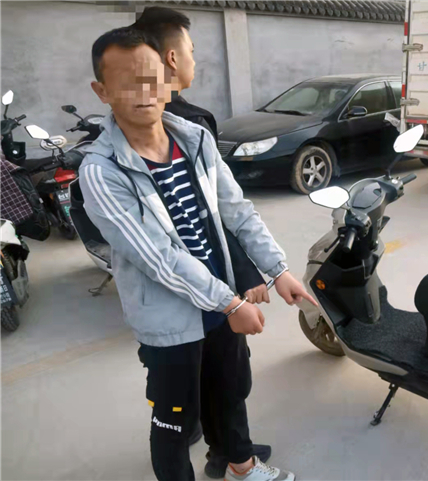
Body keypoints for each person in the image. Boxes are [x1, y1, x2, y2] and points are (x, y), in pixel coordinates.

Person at [81, 27, 314, 481]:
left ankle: (240, 466)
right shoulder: (102, 171)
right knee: (175, 420)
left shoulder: (195, 140)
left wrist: (277, 269)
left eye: (151, 77)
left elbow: (237, 211)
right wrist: (231, 303)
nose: (143, 92)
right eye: (126, 81)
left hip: (223, 302)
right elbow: (157, 258)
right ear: (102, 91)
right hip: (170, 320)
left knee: (230, 390)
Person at [131, 8, 269, 469]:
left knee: (204, 384)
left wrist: (270, 267)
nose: (196, 58)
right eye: (191, 50)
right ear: (172, 58)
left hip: (181, 300)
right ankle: (231, 454)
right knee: (220, 381)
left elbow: (228, 210)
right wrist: (242, 282)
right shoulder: (188, 126)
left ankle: (226, 449)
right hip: (199, 293)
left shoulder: (163, 127)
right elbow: (214, 219)